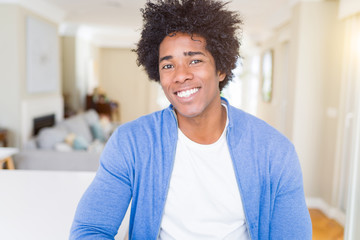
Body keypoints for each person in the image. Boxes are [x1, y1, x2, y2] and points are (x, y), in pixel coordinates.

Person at [70, 0, 312, 239]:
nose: (180, 75)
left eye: (195, 60)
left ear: (221, 69)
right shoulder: (131, 143)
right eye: (168, 65)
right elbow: (90, 230)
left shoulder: (275, 152)